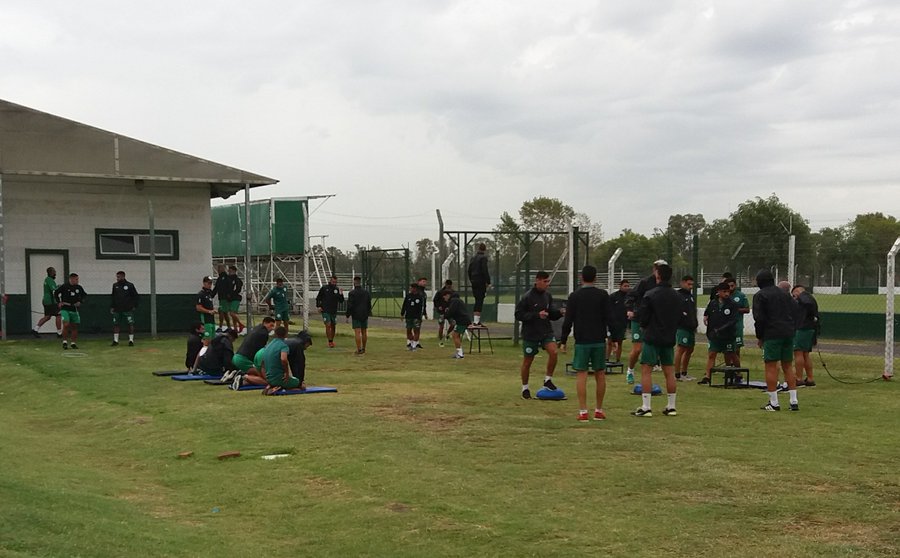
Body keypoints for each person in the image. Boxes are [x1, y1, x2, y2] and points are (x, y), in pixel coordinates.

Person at [559, 265, 611, 422]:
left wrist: (563, 340)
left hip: (582, 340)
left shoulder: (575, 296)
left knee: (581, 374)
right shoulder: (603, 295)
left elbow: (568, 319)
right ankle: (599, 410)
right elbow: (609, 317)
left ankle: (583, 411)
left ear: (581, 277)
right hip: (599, 340)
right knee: (600, 373)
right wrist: (614, 337)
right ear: (595, 278)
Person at [631, 264, 681, 417]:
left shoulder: (650, 294)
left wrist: (643, 326)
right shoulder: (676, 295)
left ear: (657, 275)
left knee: (646, 370)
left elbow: (644, 317)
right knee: (669, 371)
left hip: (652, 336)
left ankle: (646, 407)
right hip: (669, 337)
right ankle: (671, 406)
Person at [753, 269, 799, 412]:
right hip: (788, 332)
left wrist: (760, 336)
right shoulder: (785, 294)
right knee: (788, 365)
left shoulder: (760, 295)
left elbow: (759, 318)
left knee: (771, 366)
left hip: (772, 333)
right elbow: (796, 311)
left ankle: (774, 402)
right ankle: (794, 401)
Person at [514, 271, 563, 399]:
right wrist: (536, 315)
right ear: (537, 281)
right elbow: (518, 314)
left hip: (546, 331)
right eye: (545, 281)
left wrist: (560, 313)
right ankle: (525, 388)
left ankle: (548, 380)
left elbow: (551, 313)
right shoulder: (527, 297)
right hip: (531, 333)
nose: (547, 284)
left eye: (548, 281)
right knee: (527, 361)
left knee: (554, 352)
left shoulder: (547, 296)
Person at [624, 260, 666, 384]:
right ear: (654, 270)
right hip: (639, 318)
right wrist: (630, 310)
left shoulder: (665, 285)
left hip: (654, 321)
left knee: (654, 346)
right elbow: (630, 296)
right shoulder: (645, 283)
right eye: (658, 269)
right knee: (637, 349)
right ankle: (630, 370)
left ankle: (652, 371)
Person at [699, 282, 740, 384]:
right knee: (712, 354)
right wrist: (706, 317)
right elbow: (707, 312)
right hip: (715, 335)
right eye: (724, 291)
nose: (727, 294)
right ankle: (707, 376)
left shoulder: (732, 304)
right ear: (719, 292)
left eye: (728, 292)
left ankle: (738, 373)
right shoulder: (713, 303)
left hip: (728, 335)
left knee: (732, 354)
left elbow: (733, 320)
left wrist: (721, 329)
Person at [225, 317, 276, 387]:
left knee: (257, 374)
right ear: (265, 323)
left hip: (236, 357)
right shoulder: (263, 333)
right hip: (243, 360)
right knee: (266, 378)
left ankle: (238, 377)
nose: (272, 328)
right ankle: (243, 377)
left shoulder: (257, 328)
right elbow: (260, 353)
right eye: (271, 325)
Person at [260, 326, 310, 394]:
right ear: (286, 334)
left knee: (283, 380)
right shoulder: (283, 345)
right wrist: (286, 373)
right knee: (300, 385)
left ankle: (272, 386)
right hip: (280, 379)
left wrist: (266, 378)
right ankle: (280, 388)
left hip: (269, 379)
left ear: (275, 333)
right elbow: (283, 359)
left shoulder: (268, 345)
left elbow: (262, 364)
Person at [792, 285, 820, 387]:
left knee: (798, 352)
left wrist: (798, 298)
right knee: (805, 354)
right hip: (809, 328)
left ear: (797, 291)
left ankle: (798, 378)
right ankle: (810, 378)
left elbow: (806, 303)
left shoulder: (804, 298)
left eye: (793, 295)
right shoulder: (811, 299)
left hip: (802, 328)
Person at [674, 275, 698, 382]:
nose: (691, 286)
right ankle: (677, 374)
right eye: (689, 284)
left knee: (690, 349)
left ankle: (684, 372)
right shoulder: (678, 295)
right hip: (682, 327)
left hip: (691, 327)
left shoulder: (691, 296)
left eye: (692, 284)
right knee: (681, 348)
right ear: (682, 283)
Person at [54, 273, 87, 350]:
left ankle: (73, 343)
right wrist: (59, 302)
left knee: (74, 326)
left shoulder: (79, 287)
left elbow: (84, 295)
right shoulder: (64, 286)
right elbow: (56, 293)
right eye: (76, 279)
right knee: (66, 324)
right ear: (71, 279)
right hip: (65, 308)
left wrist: (80, 301)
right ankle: (65, 342)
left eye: (78, 279)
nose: (77, 281)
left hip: (74, 309)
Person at [725, 277, 750, 367]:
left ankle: (737, 370)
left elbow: (747, 309)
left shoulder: (741, 296)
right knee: (727, 349)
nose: (731, 288)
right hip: (726, 327)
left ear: (735, 285)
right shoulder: (724, 296)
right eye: (729, 286)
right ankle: (728, 369)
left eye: (732, 285)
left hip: (737, 326)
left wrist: (736, 310)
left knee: (736, 349)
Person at [110, 271, 139, 347]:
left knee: (130, 324)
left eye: (118, 277)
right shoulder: (115, 285)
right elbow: (113, 296)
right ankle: (115, 340)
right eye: (117, 277)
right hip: (117, 309)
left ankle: (131, 340)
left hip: (127, 309)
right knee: (116, 324)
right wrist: (112, 306)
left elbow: (135, 296)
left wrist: (134, 306)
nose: (117, 278)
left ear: (123, 277)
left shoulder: (130, 285)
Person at [32, 266, 62, 338]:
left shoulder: (47, 280)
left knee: (47, 316)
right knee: (58, 315)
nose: (55, 273)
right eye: (54, 272)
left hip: (46, 301)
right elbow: (54, 290)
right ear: (51, 273)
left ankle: (35, 329)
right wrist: (60, 288)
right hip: (51, 301)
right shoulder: (50, 280)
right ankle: (59, 333)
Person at [345, 276, 372, 355]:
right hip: (364, 314)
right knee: (364, 331)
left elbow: (350, 305)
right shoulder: (366, 293)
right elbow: (369, 304)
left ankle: (359, 349)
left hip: (356, 314)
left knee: (357, 332)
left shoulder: (352, 293)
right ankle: (364, 348)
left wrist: (347, 315)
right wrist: (368, 312)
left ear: (354, 282)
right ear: (360, 282)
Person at [316, 275, 344, 348]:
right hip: (325, 310)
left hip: (333, 311)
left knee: (333, 325)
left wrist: (341, 293)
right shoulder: (324, 288)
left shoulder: (337, 289)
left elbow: (341, 300)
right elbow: (318, 298)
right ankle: (330, 341)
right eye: (333, 282)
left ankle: (332, 340)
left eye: (335, 282)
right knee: (328, 324)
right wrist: (319, 306)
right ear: (330, 281)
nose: (334, 283)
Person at [441, 289, 471, 359]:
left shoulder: (454, 301)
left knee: (455, 335)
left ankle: (460, 353)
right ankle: (459, 352)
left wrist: (445, 315)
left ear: (448, 295)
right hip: (463, 320)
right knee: (456, 335)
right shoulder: (457, 300)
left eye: (444, 296)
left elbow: (452, 311)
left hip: (462, 320)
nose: (444, 298)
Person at [606, 279, 629, 363]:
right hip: (612, 323)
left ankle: (618, 360)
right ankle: (606, 359)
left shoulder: (629, 297)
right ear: (620, 286)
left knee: (620, 342)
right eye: (625, 286)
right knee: (609, 341)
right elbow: (608, 309)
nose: (626, 288)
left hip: (622, 323)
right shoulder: (613, 296)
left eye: (628, 286)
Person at [467, 243, 491, 326]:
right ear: (485, 249)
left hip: (474, 281)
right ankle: (476, 321)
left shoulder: (473, 258)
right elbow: (484, 270)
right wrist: (488, 281)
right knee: (480, 300)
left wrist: (471, 280)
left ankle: (476, 320)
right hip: (480, 281)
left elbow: (469, 270)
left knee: (477, 299)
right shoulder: (483, 258)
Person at [401, 282, 426, 350]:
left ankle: (414, 345)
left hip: (417, 317)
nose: (410, 289)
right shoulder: (408, 296)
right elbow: (404, 305)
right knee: (408, 330)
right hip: (408, 316)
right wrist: (402, 314)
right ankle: (410, 343)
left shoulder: (420, 297)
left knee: (416, 330)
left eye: (411, 288)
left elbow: (422, 307)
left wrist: (423, 314)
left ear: (415, 289)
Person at [225, 265, 246, 335]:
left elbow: (238, 289)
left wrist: (232, 294)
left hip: (236, 298)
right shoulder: (228, 279)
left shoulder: (237, 280)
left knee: (232, 313)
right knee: (233, 313)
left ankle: (240, 324)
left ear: (234, 271)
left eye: (230, 271)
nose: (229, 272)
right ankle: (235, 328)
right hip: (231, 298)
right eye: (229, 271)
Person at [433, 279, 454, 346]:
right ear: (446, 285)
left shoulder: (453, 292)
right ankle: (440, 340)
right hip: (441, 312)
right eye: (448, 286)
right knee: (441, 326)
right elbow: (435, 300)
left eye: (450, 286)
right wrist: (438, 306)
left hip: (449, 312)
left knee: (453, 324)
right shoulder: (440, 292)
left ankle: (447, 334)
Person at [212, 264, 232, 332]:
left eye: (219, 269)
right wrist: (212, 295)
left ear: (223, 269)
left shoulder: (225, 278)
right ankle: (229, 327)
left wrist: (228, 295)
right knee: (225, 313)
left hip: (224, 298)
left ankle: (220, 327)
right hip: (222, 298)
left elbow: (227, 287)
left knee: (221, 311)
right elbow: (216, 288)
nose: (218, 270)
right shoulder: (220, 278)